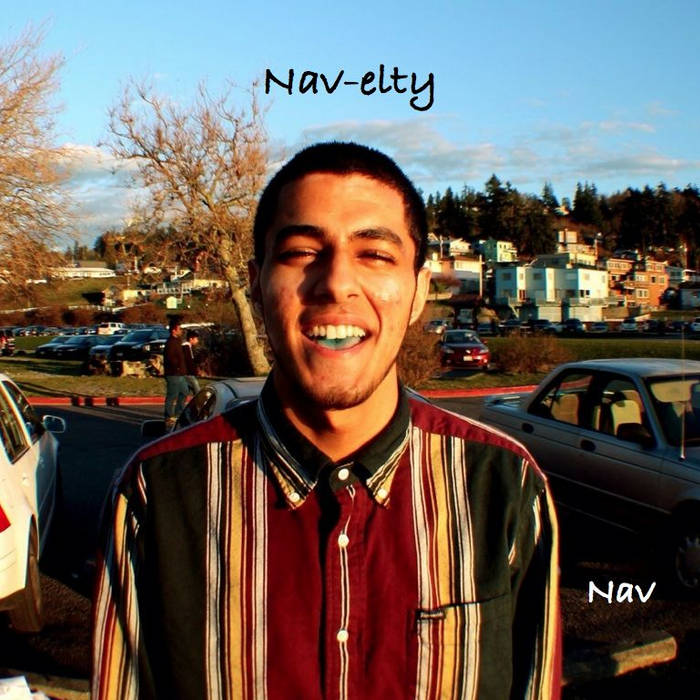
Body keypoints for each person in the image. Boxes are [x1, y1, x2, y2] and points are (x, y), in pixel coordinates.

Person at [92, 142, 561, 699]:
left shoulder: (504, 484)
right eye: (300, 252)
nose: (336, 282)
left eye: (375, 254)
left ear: (419, 292)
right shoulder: (156, 493)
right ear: (257, 286)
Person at [162, 316, 188, 431]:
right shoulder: (170, 343)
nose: (181, 331)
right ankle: (168, 416)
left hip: (180, 373)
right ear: (174, 330)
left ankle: (178, 413)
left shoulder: (178, 341)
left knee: (184, 391)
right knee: (172, 395)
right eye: (179, 329)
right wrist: (177, 368)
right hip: (173, 373)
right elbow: (171, 359)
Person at [182, 329, 201, 394]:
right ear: (191, 339)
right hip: (187, 373)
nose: (197, 341)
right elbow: (188, 362)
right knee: (197, 390)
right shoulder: (186, 347)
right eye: (196, 339)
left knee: (185, 392)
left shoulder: (188, 347)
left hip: (187, 373)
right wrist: (194, 371)